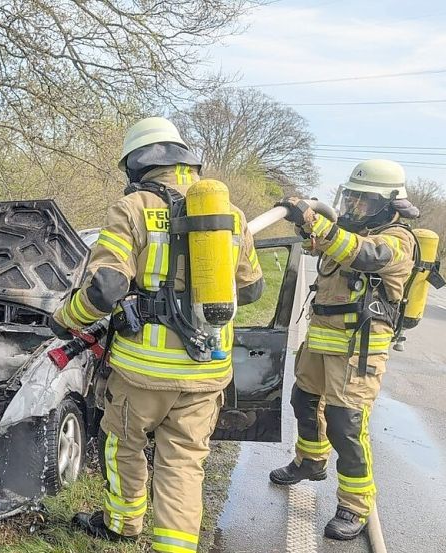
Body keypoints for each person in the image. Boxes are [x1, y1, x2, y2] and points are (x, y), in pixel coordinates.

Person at [50, 117, 264, 549]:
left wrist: (67, 318)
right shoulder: (231, 215)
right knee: (184, 464)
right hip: (207, 373)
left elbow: (106, 287)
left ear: (136, 164)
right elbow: (254, 286)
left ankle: (122, 524)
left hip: (142, 374)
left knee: (122, 445)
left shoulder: (132, 209)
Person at [270, 160, 418, 540]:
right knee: (303, 402)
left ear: (390, 204)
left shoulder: (397, 239)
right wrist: (303, 219)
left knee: (346, 426)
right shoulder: (353, 231)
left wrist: (319, 222)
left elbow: (365, 256)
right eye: (350, 200)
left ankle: (354, 506)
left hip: (358, 351)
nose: (354, 209)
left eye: (364, 203)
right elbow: (324, 243)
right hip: (322, 340)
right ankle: (310, 462)